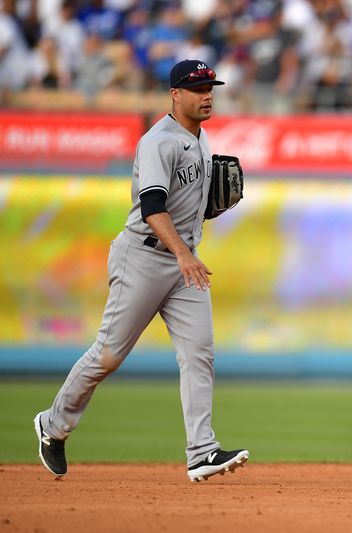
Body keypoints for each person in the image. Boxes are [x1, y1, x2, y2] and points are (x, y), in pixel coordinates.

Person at [34, 59, 249, 483]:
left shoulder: (202, 140)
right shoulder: (158, 141)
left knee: (199, 354)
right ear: (175, 94)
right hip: (144, 257)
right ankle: (52, 425)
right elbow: (152, 208)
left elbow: (193, 206)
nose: (207, 95)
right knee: (109, 354)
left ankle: (202, 451)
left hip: (184, 262)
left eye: (210, 87)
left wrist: (213, 208)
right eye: (197, 89)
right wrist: (184, 255)